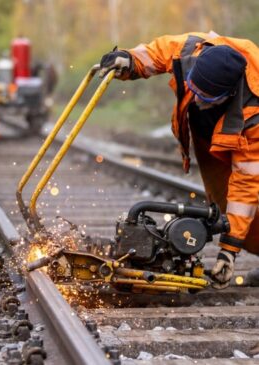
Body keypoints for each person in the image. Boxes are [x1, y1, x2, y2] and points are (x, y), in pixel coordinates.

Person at [99, 31, 259, 289]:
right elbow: (158, 52)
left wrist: (228, 252)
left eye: (204, 97)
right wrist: (129, 61)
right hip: (213, 132)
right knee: (220, 201)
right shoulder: (193, 50)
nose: (195, 99)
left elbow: (247, 185)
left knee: (247, 206)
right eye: (193, 90)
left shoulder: (254, 115)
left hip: (243, 135)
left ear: (228, 94)